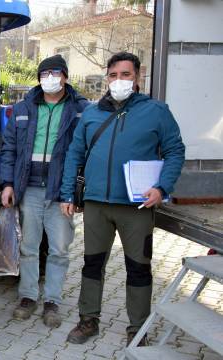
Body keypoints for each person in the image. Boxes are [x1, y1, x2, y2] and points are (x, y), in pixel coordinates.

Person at [60, 52, 185, 346]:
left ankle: (137, 329)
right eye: (113, 75)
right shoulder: (91, 113)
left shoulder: (156, 111)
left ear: (138, 77)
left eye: (126, 75)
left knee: (138, 268)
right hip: (96, 206)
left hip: (137, 207)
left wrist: (162, 187)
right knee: (92, 265)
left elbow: (175, 151)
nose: (119, 81)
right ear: (107, 78)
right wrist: (67, 193)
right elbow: (74, 155)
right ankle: (88, 320)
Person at [0, 54, 90, 328]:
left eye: (55, 73)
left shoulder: (80, 109)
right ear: (39, 78)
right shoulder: (24, 108)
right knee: (28, 246)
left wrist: (75, 192)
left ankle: (52, 301)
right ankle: (28, 296)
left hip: (61, 191)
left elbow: (87, 151)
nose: (49, 79)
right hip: (29, 188)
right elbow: (9, 149)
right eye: (44, 74)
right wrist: (7, 184)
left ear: (65, 76)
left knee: (59, 248)